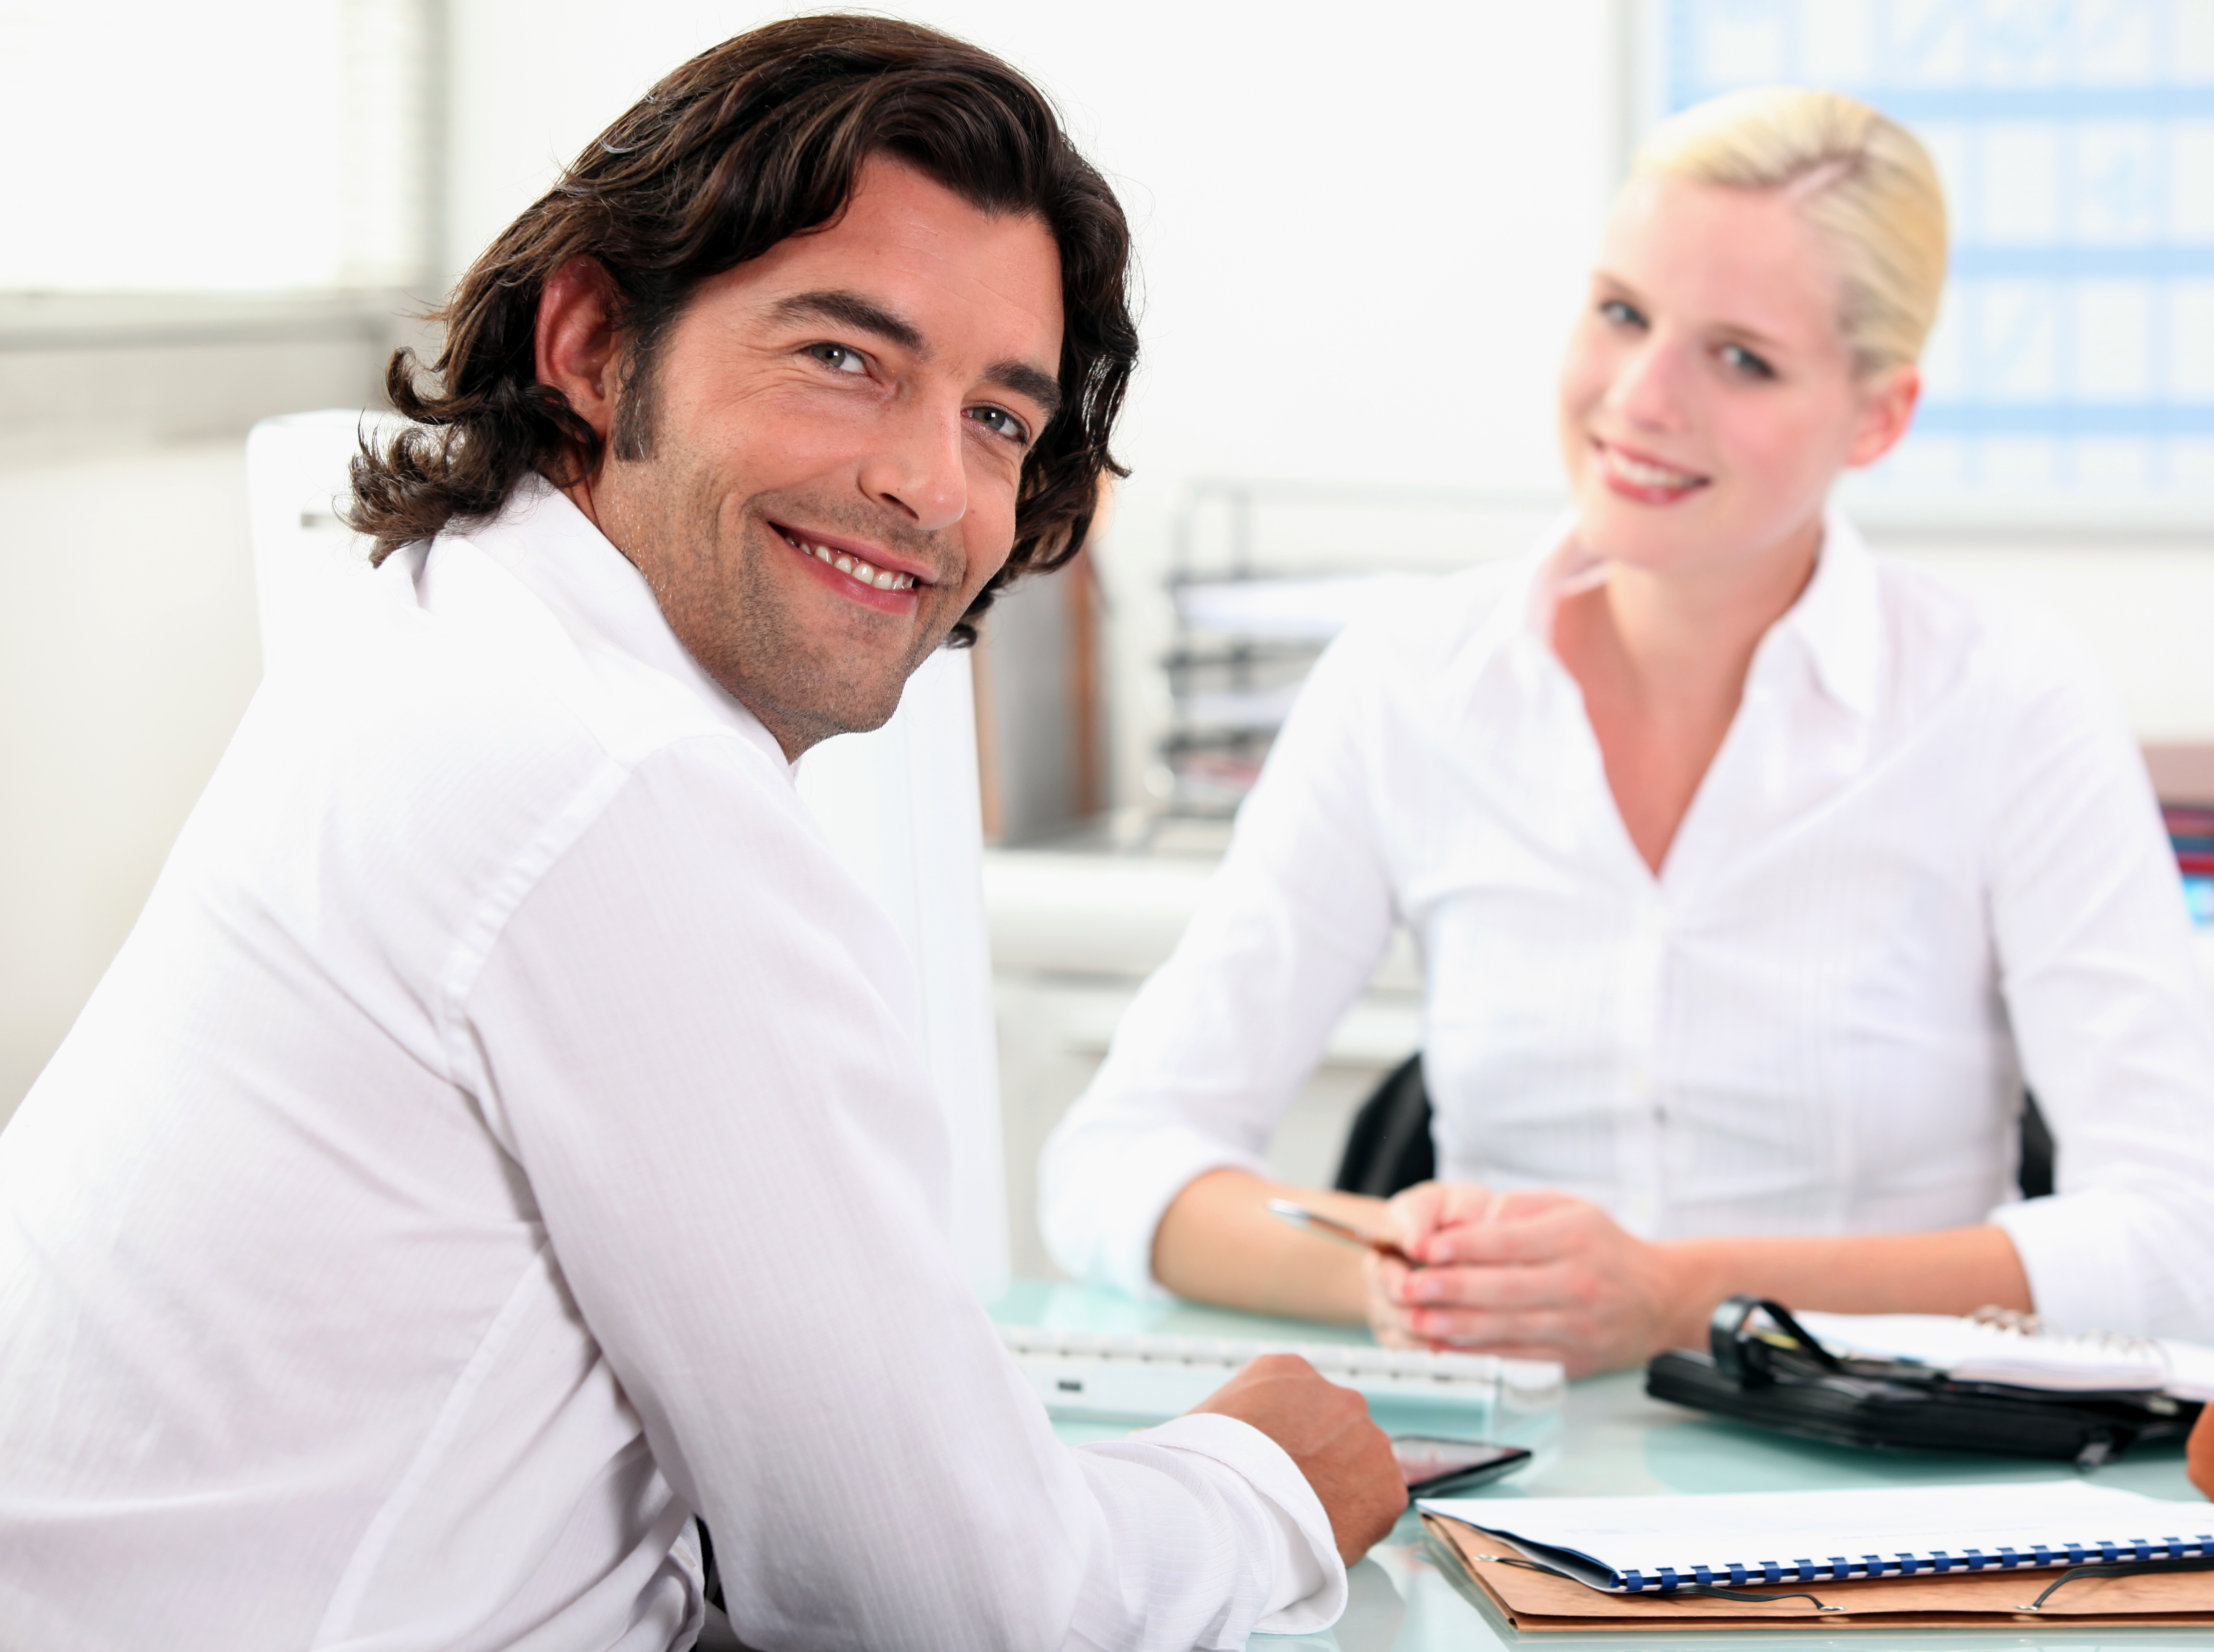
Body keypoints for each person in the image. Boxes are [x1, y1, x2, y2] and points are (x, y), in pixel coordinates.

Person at [0, 19, 1404, 1650]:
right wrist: (1269, 1479)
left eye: (1000, 421)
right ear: (594, 342)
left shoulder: (459, 637)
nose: (930, 488)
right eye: (844, 359)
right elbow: (961, 1607)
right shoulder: (612, 780)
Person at [1041, 86, 2214, 1376]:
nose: (1641, 397)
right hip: (1510, 1487)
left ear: (1879, 415)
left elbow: (2200, 1257)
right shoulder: (1410, 682)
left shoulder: (2006, 701)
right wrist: (1410, 1283)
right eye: (1623, 312)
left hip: (1882, 1503)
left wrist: (1677, 1293)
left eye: (1741, 357)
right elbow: (1112, 1166)